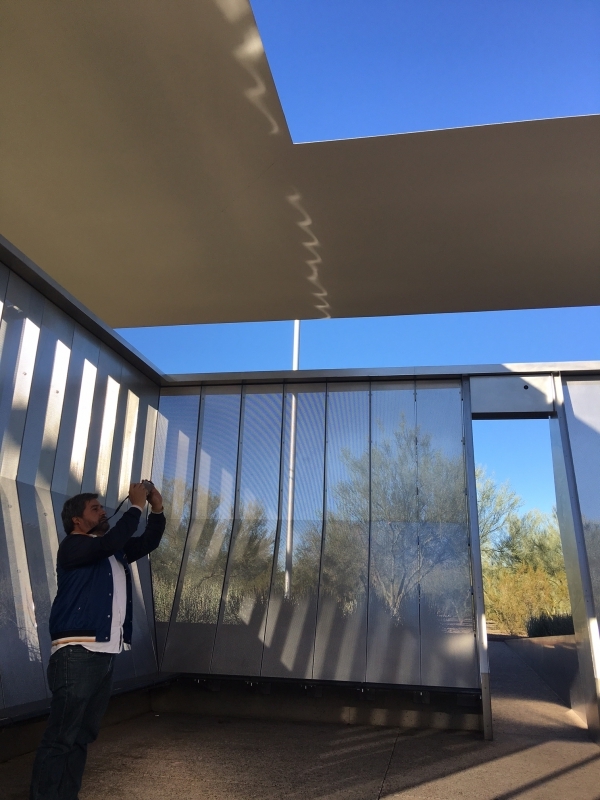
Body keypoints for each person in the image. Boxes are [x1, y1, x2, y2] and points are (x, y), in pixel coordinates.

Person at [30, 482, 166, 800]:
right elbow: (114, 540)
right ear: (77, 520)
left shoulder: (112, 551)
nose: (103, 511)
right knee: (62, 736)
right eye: (95, 508)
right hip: (77, 652)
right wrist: (135, 506)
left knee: (82, 735)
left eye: (102, 507)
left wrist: (156, 508)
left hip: (105, 655)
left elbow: (148, 540)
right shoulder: (75, 547)